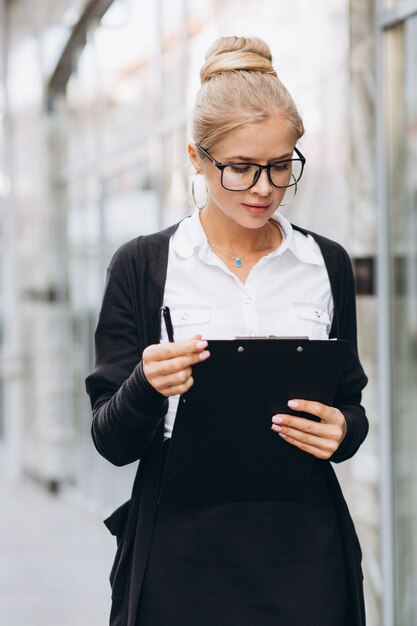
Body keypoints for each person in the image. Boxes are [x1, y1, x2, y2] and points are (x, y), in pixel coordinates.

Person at [85, 36, 368, 626]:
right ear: (196, 157)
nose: (264, 188)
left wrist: (342, 431)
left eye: (281, 165)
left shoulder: (327, 263)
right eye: (240, 167)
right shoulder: (142, 265)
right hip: (179, 559)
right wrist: (147, 383)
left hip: (305, 557)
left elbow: (349, 405)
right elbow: (110, 441)